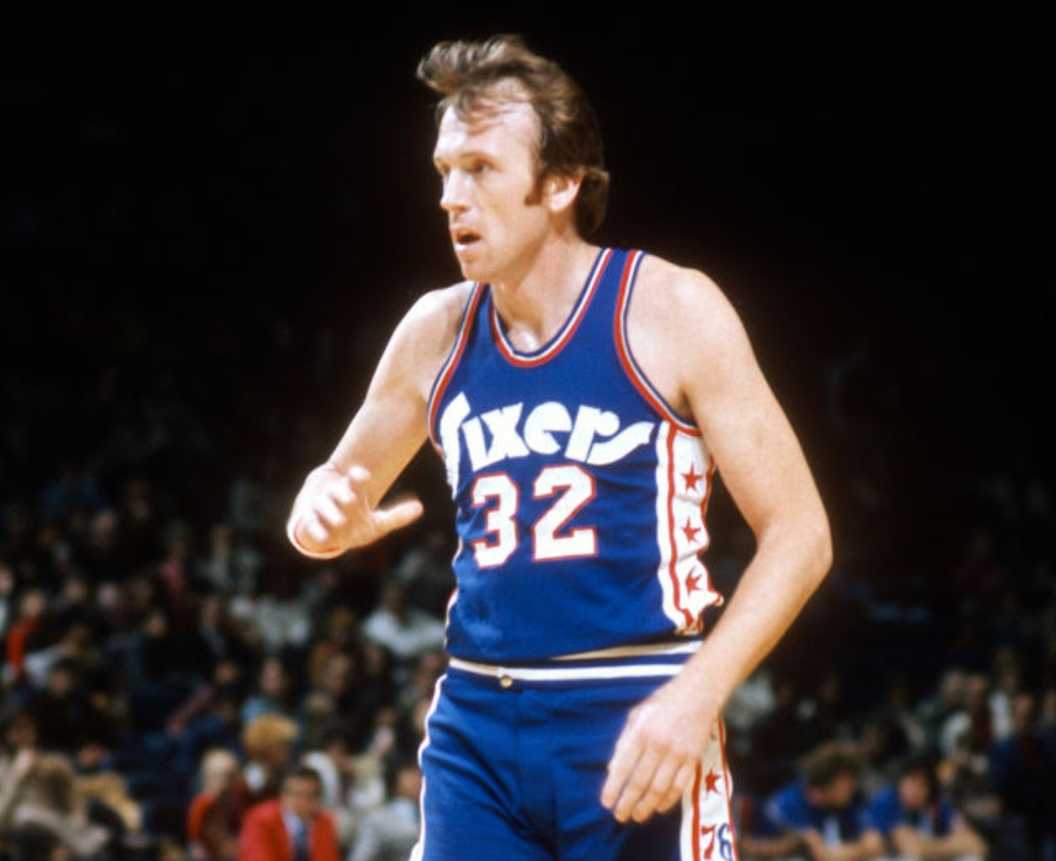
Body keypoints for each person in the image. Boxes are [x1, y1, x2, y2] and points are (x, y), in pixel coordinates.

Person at [286, 33, 832, 861]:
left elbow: (801, 533)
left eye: (481, 168)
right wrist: (318, 512)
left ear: (562, 181)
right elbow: (331, 493)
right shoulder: (433, 330)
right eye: (444, 171)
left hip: (632, 715)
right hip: (477, 722)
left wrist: (697, 695)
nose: (450, 197)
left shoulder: (672, 308)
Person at [747, 742, 882, 860]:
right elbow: (823, 856)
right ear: (831, 781)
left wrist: (849, 852)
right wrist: (859, 850)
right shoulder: (790, 803)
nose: (853, 788)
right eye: (848, 782)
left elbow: (875, 845)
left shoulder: (847, 803)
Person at [866, 752, 987, 860]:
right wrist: (951, 845)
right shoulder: (887, 800)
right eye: (912, 781)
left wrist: (932, 848)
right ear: (900, 781)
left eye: (923, 784)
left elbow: (976, 844)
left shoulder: (937, 803)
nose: (915, 790)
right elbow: (914, 849)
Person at [238, 765, 341, 861]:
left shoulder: (324, 822)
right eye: (297, 794)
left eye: (311, 795)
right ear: (283, 795)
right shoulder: (260, 819)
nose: (304, 802)